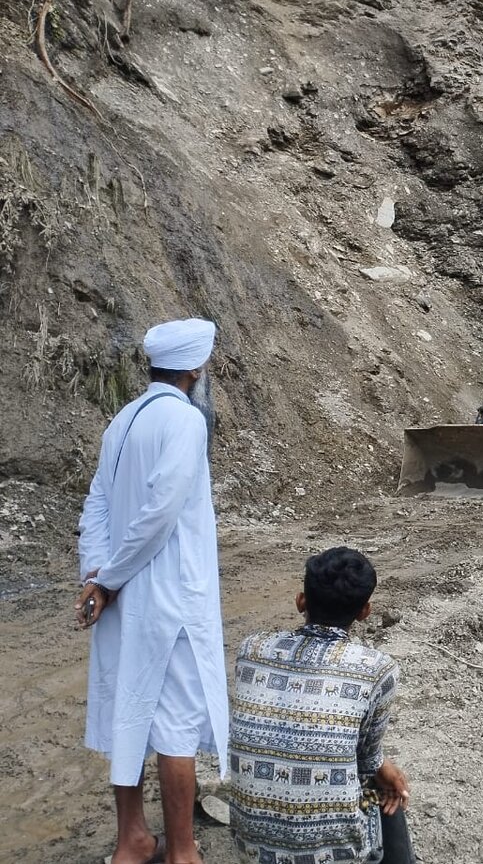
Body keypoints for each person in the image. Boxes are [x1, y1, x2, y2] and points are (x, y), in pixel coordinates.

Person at [74, 317, 227, 864]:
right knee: (177, 724)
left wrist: (97, 575)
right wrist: (109, 579)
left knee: (128, 711)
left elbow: (97, 504)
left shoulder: (122, 421)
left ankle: (132, 840)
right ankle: (182, 851)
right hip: (169, 598)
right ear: (194, 369)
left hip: (120, 595)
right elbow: (160, 513)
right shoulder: (184, 422)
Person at [229, 547, 415, 864]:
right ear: (364, 612)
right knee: (384, 789)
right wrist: (385, 769)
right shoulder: (377, 669)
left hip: (252, 846)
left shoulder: (251, 648)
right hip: (331, 854)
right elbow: (367, 762)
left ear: (301, 600)